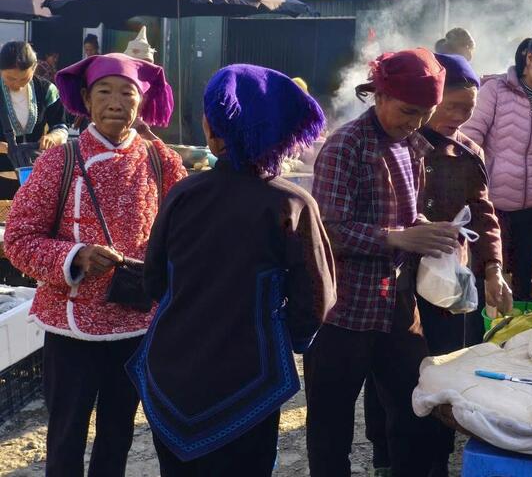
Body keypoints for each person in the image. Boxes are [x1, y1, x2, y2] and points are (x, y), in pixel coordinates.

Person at [128, 64, 336, 475]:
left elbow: (153, 280)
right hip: (251, 377)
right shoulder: (292, 203)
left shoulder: (183, 194)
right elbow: (316, 300)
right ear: (283, 135)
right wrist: (290, 339)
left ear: (211, 130)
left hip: (173, 373)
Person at [3, 52, 186, 477]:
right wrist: (76, 256)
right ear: (86, 99)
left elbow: (186, 233)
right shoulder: (59, 161)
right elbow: (18, 240)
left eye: (127, 93)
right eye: (104, 92)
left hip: (135, 323)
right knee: (65, 438)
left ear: (142, 102)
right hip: (71, 331)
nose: (116, 103)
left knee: (117, 438)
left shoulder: (161, 161)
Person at [306, 48, 458, 477]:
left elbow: (408, 217)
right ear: (380, 95)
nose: (416, 122)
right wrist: (397, 237)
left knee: (415, 411)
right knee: (330, 424)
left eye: (425, 113)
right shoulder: (346, 145)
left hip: (397, 307)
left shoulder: (413, 145)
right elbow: (329, 229)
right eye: (409, 111)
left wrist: (433, 232)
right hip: (343, 311)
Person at [365, 52, 512, 476]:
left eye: (469, 109)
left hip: (448, 281)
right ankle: (386, 457)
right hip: (395, 278)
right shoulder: (393, 142)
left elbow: (483, 215)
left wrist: (493, 268)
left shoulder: (467, 152)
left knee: (445, 364)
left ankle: (436, 457)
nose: (460, 118)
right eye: (453, 107)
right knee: (393, 374)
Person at [462, 30, 532, 300]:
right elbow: (469, 143)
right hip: (493, 208)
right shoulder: (494, 91)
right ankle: (482, 327)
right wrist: (471, 197)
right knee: (486, 280)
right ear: (530, 58)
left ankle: (520, 327)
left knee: (525, 284)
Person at [0, 42, 68, 198]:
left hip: (35, 174)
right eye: (10, 78)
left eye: (24, 78)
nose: (16, 84)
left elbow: (60, 125)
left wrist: (54, 136)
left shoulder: (46, 90)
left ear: (34, 67)